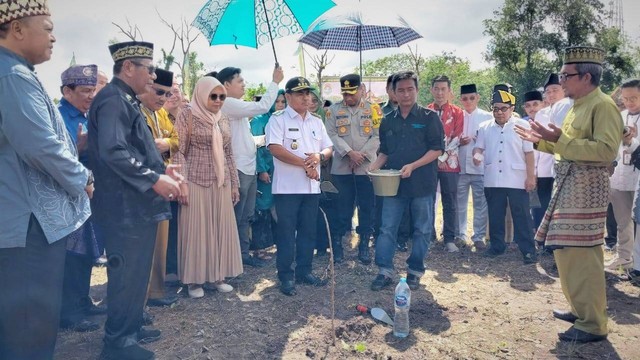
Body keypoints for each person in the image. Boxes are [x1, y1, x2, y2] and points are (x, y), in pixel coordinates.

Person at [0, 2, 93, 358]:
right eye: (48, 27)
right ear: (18, 29)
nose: (54, 36)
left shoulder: (16, 72)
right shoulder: (12, 76)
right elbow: (41, 146)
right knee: (30, 327)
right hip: (27, 224)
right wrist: (83, 177)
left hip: (25, 220)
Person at [515, 46, 622, 343]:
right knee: (565, 252)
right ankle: (580, 310)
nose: (561, 81)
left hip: (587, 190)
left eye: (566, 75)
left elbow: (605, 151)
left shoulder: (603, 106)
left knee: (583, 258)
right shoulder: (579, 104)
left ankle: (593, 324)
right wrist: (541, 142)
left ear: (586, 76)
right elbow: (566, 146)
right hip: (568, 187)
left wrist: (557, 140)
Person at [89, 41, 182, 360]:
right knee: (126, 275)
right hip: (123, 208)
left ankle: (130, 326)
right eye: (149, 68)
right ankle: (117, 342)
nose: (154, 75)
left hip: (134, 206)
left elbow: (135, 150)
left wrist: (164, 168)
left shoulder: (124, 99)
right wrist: (155, 179)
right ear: (128, 68)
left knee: (135, 273)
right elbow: (113, 152)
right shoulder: (114, 100)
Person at [368, 71, 444, 291]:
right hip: (393, 185)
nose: (406, 94)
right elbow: (385, 152)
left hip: (422, 183)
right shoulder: (387, 121)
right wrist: (372, 168)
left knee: (421, 229)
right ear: (393, 93)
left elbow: (437, 149)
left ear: (417, 90)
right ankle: (384, 270)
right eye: (400, 90)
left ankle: (415, 271)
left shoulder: (429, 118)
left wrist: (413, 165)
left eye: (410, 89)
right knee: (387, 228)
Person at [173, 76, 243, 298]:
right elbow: (178, 151)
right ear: (202, 94)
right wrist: (182, 183)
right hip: (195, 180)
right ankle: (194, 281)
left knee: (220, 229)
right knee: (197, 231)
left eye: (222, 96)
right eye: (213, 96)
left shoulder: (223, 118)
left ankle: (218, 277)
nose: (218, 100)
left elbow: (229, 153)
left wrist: (234, 184)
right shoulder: (187, 114)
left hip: (220, 182)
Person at [266, 76, 333, 296]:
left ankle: (305, 270)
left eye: (307, 93)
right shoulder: (278, 120)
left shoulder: (315, 121)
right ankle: (286, 275)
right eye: (300, 93)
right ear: (287, 96)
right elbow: (275, 148)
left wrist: (318, 156)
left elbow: (328, 149)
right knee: (286, 233)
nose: (306, 97)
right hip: (287, 189)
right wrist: (305, 163)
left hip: (311, 188)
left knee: (308, 231)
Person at [215, 66, 284, 267]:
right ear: (226, 85)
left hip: (248, 168)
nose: (244, 84)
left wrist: (268, 140)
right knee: (236, 217)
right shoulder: (228, 103)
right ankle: (231, 258)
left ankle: (243, 255)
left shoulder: (236, 107)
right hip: (237, 169)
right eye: (240, 81)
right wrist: (275, 82)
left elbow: (245, 140)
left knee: (246, 216)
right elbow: (262, 106)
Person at [57, 64, 104, 333]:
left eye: (92, 90)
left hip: (90, 194)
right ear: (67, 91)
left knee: (87, 251)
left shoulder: (88, 116)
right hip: (69, 196)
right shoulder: (60, 116)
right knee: (71, 255)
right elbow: (55, 159)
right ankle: (69, 312)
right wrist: (79, 147)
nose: (90, 95)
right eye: (85, 91)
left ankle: (83, 301)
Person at [474, 90, 537, 264]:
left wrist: (531, 177)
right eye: (496, 109)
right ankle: (496, 246)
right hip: (493, 178)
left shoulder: (523, 126)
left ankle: (528, 251)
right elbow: (478, 148)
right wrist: (477, 155)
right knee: (495, 215)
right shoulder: (485, 127)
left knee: (522, 216)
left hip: (517, 178)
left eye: (503, 108)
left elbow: (529, 153)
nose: (499, 112)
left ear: (512, 108)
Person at [325, 74, 381, 264]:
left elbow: (377, 136)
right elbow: (331, 134)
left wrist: (361, 155)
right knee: (341, 208)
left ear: (361, 89)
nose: (348, 98)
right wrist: (349, 153)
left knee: (367, 207)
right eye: (345, 94)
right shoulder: (333, 111)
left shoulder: (373, 109)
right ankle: (339, 245)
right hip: (342, 168)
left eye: (352, 93)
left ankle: (364, 244)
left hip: (366, 168)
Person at [139, 68, 180, 307]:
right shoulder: (136, 111)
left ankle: (156, 291)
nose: (163, 98)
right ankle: (139, 297)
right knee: (144, 243)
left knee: (161, 240)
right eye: (159, 92)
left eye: (167, 94)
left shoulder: (161, 114)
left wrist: (166, 143)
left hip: (163, 181)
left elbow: (177, 139)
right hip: (143, 182)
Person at [427, 75, 464, 252]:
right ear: (431, 90)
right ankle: (429, 235)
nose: (440, 92)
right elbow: (423, 139)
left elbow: (457, 137)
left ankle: (449, 238)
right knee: (428, 200)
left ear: (450, 91)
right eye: (437, 89)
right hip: (429, 163)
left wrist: (442, 157)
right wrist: (435, 158)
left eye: (444, 89)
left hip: (450, 163)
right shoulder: (425, 111)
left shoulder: (457, 112)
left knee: (450, 201)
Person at [607, 79, 640, 270]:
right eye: (625, 98)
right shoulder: (619, 117)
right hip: (619, 175)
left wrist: (632, 141)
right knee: (622, 220)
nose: (629, 102)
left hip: (637, 178)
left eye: (634, 98)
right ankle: (624, 257)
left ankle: (637, 262)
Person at [250, 89, 286, 260]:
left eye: (283, 102)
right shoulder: (259, 121)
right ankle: (259, 248)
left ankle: (277, 243)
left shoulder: (282, 119)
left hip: (280, 170)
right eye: (277, 101)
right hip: (266, 172)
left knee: (277, 207)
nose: (280, 105)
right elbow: (255, 148)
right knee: (262, 208)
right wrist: (262, 169)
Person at [456, 84, 493, 250]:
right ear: (460, 100)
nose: (468, 101)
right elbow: (449, 138)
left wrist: (480, 155)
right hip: (460, 167)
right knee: (459, 203)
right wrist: (459, 141)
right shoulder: (457, 115)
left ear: (477, 97)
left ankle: (479, 236)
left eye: (472, 98)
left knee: (480, 203)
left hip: (480, 168)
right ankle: (460, 235)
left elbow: (491, 143)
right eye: (465, 98)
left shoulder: (487, 117)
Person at [522, 90, 551, 232]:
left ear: (543, 104)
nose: (531, 108)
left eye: (535, 104)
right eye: (528, 106)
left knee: (546, 206)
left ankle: (546, 239)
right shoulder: (522, 123)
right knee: (533, 207)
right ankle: (536, 237)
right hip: (529, 172)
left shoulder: (549, 121)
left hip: (547, 172)